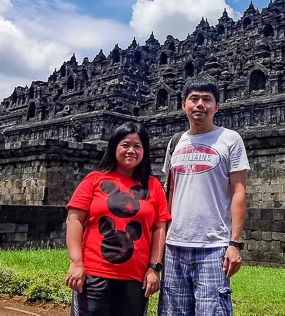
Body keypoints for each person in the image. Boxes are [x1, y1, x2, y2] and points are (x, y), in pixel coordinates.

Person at [158, 78, 250, 316]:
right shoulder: (175, 142)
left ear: (216, 106)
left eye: (207, 99)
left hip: (214, 246)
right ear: (183, 105)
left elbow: (239, 191)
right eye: (194, 99)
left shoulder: (230, 139)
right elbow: (168, 192)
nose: (200, 104)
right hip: (173, 245)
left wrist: (235, 243)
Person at [64, 121, 171, 315]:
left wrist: (154, 268)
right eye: (125, 145)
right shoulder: (94, 180)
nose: (131, 151)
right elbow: (74, 220)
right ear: (114, 147)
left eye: (137, 146)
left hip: (136, 278)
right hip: (94, 274)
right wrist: (76, 262)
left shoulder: (153, 185)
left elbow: (159, 228)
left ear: (144, 151)